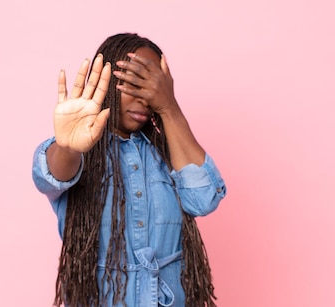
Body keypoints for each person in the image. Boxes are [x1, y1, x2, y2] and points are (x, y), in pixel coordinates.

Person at [32, 33, 226, 306]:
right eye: (133, 83)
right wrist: (68, 147)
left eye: (152, 88)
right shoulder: (77, 152)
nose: (144, 99)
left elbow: (204, 199)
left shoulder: (169, 153)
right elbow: (50, 178)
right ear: (106, 82)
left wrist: (169, 107)